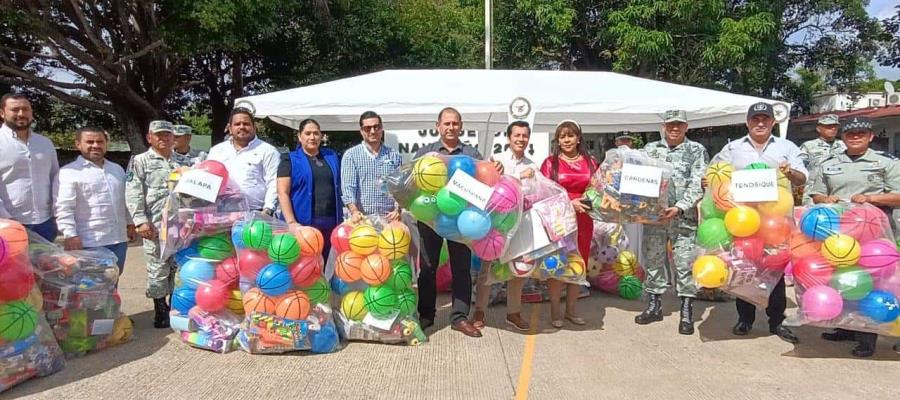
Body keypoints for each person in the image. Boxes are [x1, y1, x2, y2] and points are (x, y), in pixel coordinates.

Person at [808, 116, 900, 357]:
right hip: (837, 234)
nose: (855, 136)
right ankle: (846, 327)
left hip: (874, 234)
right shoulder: (829, 163)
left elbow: (898, 196)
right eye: (850, 133)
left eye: (861, 132)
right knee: (841, 280)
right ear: (843, 137)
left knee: (869, 284)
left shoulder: (885, 162)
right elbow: (816, 194)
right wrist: (824, 200)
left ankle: (867, 335)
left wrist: (871, 199)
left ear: (871, 136)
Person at [715, 102, 806, 344]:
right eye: (755, 119)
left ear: (773, 122)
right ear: (747, 122)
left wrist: (790, 173)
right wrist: (710, 183)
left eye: (765, 119)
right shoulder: (732, 148)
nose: (761, 123)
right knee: (744, 268)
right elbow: (716, 173)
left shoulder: (787, 147)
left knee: (774, 269)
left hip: (776, 222)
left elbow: (801, 178)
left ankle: (776, 321)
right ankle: (745, 319)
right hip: (743, 219)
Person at [415, 107, 501, 338]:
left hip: (463, 220)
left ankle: (459, 317)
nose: (451, 127)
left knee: (461, 268)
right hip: (431, 218)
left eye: (455, 123)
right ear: (438, 126)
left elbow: (485, 181)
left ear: (461, 126)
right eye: (447, 123)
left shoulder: (472, 154)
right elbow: (413, 183)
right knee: (427, 268)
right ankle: (425, 315)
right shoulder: (426, 153)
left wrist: (495, 170)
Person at [635, 110, 708, 335]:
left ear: (686, 127)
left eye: (679, 124)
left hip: (683, 218)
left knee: (684, 264)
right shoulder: (649, 150)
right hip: (655, 218)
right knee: (654, 260)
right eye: (670, 125)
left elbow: (699, 183)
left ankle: (686, 310)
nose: (674, 128)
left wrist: (680, 207)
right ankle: (654, 305)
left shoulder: (696, 150)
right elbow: (637, 177)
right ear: (664, 127)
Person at [471, 121, 536, 331]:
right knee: (487, 269)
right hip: (496, 225)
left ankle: (513, 313)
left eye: (525, 136)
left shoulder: (532, 165)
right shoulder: (496, 160)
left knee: (518, 270)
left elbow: (534, 192)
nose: (521, 139)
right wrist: (518, 177)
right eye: (517, 135)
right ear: (509, 138)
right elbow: (490, 185)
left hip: (520, 224)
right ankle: (480, 311)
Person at [540, 120, 598, 328]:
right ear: (557, 140)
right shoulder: (549, 163)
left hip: (584, 219)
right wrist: (569, 203)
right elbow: (544, 193)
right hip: (559, 219)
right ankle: (555, 310)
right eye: (562, 136)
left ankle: (572, 310)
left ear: (578, 138)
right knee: (558, 263)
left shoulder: (591, 162)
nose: (566, 140)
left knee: (578, 263)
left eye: (570, 135)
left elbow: (597, 189)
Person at [126, 120, 180, 328]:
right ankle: (160, 308)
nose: (164, 138)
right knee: (157, 268)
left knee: (178, 267)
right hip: (154, 225)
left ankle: (176, 305)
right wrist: (139, 220)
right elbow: (133, 191)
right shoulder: (140, 161)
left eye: (167, 134)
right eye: (159, 135)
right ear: (150, 138)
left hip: (180, 225)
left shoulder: (181, 162)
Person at [57, 127, 135, 273]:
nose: (95, 145)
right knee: (90, 287)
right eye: (90, 142)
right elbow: (64, 207)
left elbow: (125, 200)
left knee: (113, 281)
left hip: (118, 239)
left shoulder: (116, 169)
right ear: (78, 144)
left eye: (100, 141)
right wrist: (70, 234)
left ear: (106, 144)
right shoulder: (69, 172)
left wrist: (130, 223)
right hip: (89, 241)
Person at [276, 118, 342, 258]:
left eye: (316, 133)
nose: (312, 137)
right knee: (304, 268)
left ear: (321, 136)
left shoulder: (332, 156)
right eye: (308, 133)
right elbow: (283, 193)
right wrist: (291, 222)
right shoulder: (289, 159)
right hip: (303, 225)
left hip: (331, 223)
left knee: (327, 267)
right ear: (300, 136)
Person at [0, 93, 59, 241]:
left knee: (46, 265)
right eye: (15, 109)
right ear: (2, 113)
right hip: (8, 224)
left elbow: (55, 179)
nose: (21, 114)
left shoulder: (45, 143)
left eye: (25, 109)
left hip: (45, 223)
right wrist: (7, 219)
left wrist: (57, 215)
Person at [207, 107, 281, 214]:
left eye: (246, 124)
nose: (242, 127)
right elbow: (208, 179)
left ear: (254, 127)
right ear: (230, 128)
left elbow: (274, 182)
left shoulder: (268, 151)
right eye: (237, 124)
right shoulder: (216, 151)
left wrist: (267, 209)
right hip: (220, 213)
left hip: (256, 214)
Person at [341, 111, 402, 223]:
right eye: (367, 128)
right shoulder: (351, 155)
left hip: (389, 219)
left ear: (382, 128)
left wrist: (397, 210)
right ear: (361, 131)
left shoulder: (394, 155)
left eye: (376, 127)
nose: (373, 131)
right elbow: (348, 188)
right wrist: (354, 212)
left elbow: (399, 187)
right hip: (362, 220)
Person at [799, 114, 845, 204]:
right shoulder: (808, 146)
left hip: (838, 190)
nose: (833, 129)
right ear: (819, 129)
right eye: (829, 126)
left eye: (835, 126)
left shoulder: (844, 146)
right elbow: (799, 168)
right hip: (813, 191)